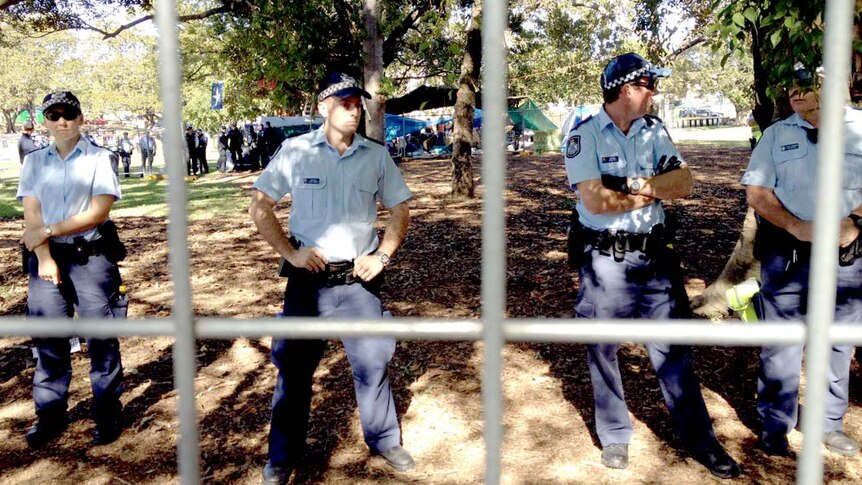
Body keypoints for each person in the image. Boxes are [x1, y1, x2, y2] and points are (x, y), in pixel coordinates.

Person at [562, 52, 740, 478]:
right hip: (605, 259)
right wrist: (652, 190)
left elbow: (684, 183)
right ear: (629, 89)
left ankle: (699, 437)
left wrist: (631, 185)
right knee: (602, 347)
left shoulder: (653, 131)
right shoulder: (584, 136)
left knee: (673, 345)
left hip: (656, 258)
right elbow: (595, 202)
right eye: (650, 86)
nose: (655, 94)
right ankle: (614, 435)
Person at [249, 71, 414, 484]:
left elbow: (400, 210)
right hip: (309, 283)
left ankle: (384, 439)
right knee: (294, 370)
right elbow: (260, 207)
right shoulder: (295, 150)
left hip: (359, 283)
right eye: (345, 103)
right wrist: (291, 252)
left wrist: (383, 255)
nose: (354, 110)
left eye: (357, 103)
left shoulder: (375, 155)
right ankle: (283, 456)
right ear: (323, 106)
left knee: (373, 363)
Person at [741, 64, 862, 458]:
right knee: (781, 343)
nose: (795, 92)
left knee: (838, 343)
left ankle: (829, 424)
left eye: (806, 84)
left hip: (846, 256)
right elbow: (757, 193)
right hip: (788, 255)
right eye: (791, 85)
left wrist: (854, 221)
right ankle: (775, 423)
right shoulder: (776, 135)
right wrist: (795, 227)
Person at [16, 91, 125, 448]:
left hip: (90, 258)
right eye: (53, 114)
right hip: (46, 259)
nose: (61, 121)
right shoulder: (34, 161)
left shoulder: (99, 158)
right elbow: (32, 213)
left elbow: (98, 213)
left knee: (101, 338)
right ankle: (50, 416)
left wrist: (48, 230)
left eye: (68, 113)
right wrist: (45, 256)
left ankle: (108, 414)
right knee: (48, 338)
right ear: (45, 120)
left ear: (80, 117)